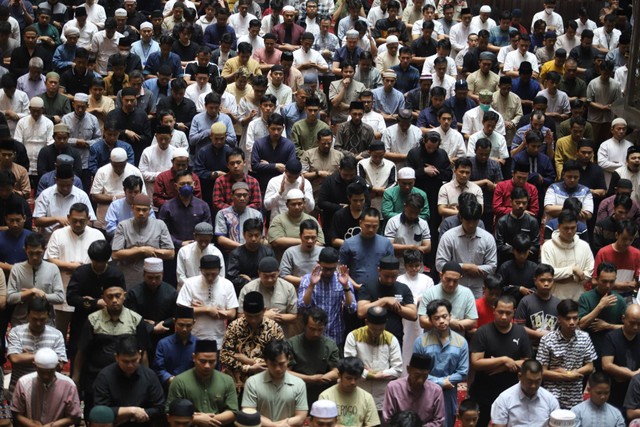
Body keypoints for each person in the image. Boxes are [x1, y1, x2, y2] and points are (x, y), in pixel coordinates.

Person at [72, 279, 150, 420]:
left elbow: (143, 353)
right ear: (103, 298)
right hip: (96, 377)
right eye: (110, 296)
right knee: (95, 416)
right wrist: (76, 379)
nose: (114, 300)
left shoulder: (136, 320)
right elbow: (81, 352)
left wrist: (146, 378)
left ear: (124, 296)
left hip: (127, 378)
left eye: (118, 296)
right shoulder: (93, 319)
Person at [469, 296, 532, 427]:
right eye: (500, 312)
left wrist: (505, 366)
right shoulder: (482, 332)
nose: (504, 317)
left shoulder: (520, 332)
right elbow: (476, 362)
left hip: (512, 393)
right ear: (494, 310)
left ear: (514, 312)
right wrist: (504, 360)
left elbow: (527, 362)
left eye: (508, 313)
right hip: (484, 392)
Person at [413, 299, 468, 427]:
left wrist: (447, 382)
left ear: (450, 316)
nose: (441, 321)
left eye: (444, 316)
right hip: (425, 390)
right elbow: (416, 371)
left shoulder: (461, 342)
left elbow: (463, 372)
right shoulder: (421, 342)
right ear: (430, 320)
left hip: (449, 392)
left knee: (446, 423)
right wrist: (440, 382)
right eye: (436, 318)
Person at [537, 298, 597, 409]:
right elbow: (541, 372)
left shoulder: (585, 337)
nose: (572, 322)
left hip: (575, 399)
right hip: (551, 397)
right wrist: (566, 376)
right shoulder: (547, 340)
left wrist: (571, 373)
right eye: (568, 319)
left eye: (575, 318)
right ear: (559, 319)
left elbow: (590, 366)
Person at [93, 335, 165, 427]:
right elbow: (101, 410)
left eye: (134, 360)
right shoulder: (105, 376)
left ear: (139, 354)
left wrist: (131, 416)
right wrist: (132, 411)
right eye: (125, 361)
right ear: (117, 357)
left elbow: (160, 408)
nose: (130, 365)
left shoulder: (149, 375)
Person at [220, 292, 285, 392]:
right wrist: (248, 368)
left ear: (264, 310)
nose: (253, 320)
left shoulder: (274, 329)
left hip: (265, 383)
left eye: (257, 316)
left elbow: (278, 358)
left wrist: (249, 361)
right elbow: (224, 356)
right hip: (236, 384)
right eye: (249, 316)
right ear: (243, 312)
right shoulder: (234, 326)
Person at [436, 193, 497, 298]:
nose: (471, 225)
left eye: (475, 221)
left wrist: (475, 269)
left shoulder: (488, 238)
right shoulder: (449, 237)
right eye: (468, 221)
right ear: (461, 218)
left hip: (478, 290)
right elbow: (440, 264)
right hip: (453, 288)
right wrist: (464, 267)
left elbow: (492, 267)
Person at [166, 339, 238, 424]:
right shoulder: (179, 381)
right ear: (194, 358)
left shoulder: (227, 380)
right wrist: (196, 420)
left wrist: (209, 420)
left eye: (212, 362)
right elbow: (169, 413)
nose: (207, 366)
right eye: (203, 361)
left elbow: (233, 412)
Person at [344, 307, 402, 410]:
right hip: (358, 393)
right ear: (366, 322)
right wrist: (373, 376)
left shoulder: (391, 339)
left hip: (382, 398)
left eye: (381, 329)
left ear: (385, 323)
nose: (377, 332)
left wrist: (371, 373)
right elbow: (350, 367)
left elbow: (398, 370)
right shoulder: (353, 336)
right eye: (374, 329)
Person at [7, 297, 66, 398]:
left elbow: (60, 365)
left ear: (48, 316)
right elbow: (15, 358)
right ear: (28, 315)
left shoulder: (57, 335)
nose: (38, 323)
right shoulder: (16, 332)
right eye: (35, 319)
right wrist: (49, 356)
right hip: (19, 391)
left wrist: (28, 356)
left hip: (47, 391)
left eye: (42, 319)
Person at [111, 194, 174, 287]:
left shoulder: (160, 225)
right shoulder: (123, 226)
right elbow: (115, 255)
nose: (141, 213)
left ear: (150, 210)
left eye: (144, 210)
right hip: (129, 278)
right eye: (138, 209)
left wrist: (151, 251)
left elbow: (171, 253)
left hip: (153, 279)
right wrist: (142, 250)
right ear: (132, 208)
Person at [298, 247, 356, 346]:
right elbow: (302, 307)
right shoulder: (307, 279)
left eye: (332, 269)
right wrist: (312, 285)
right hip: (312, 335)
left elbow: (352, 309)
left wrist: (345, 286)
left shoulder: (342, 279)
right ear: (318, 263)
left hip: (336, 335)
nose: (328, 272)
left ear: (337, 264)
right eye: (325, 268)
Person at [241, 339, 308, 426]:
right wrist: (276, 426)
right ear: (265, 361)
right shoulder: (252, 382)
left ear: (288, 359)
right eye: (273, 364)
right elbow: (249, 414)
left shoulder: (299, 384)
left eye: (281, 364)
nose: (278, 369)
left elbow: (301, 417)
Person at [11, 347, 81, 427]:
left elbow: (75, 416)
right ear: (35, 366)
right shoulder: (24, 383)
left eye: (50, 372)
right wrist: (31, 424)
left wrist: (53, 425)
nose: (46, 376)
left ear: (57, 367)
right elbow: (16, 413)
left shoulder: (68, 385)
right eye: (42, 372)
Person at [177, 254, 237, 343]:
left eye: (213, 274)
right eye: (206, 274)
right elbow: (181, 311)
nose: (210, 277)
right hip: (193, 338)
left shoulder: (227, 285)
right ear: (201, 270)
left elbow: (232, 313)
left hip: (219, 338)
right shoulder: (190, 283)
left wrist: (197, 309)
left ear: (219, 270)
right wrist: (206, 309)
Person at [356, 255, 418, 343]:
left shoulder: (403, 288)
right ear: (379, 271)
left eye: (393, 276)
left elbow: (413, 315)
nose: (389, 280)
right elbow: (361, 312)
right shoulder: (367, 287)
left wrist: (394, 305)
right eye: (386, 276)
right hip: (369, 338)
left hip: (394, 338)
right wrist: (384, 301)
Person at [7, 233, 64, 326]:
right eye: (31, 253)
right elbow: (9, 298)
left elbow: (60, 297)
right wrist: (30, 292)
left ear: (44, 250)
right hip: (21, 322)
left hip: (46, 322)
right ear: (25, 250)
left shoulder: (53, 268)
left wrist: (42, 295)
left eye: (38, 253)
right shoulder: (17, 269)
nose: (34, 257)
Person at [288, 307, 339, 404]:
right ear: (304, 325)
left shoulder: (330, 345)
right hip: (297, 391)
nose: (316, 333)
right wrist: (310, 379)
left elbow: (336, 371)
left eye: (320, 330)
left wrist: (321, 378)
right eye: (312, 329)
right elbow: (286, 372)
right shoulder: (292, 344)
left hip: (323, 393)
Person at [541, 209, 594, 301]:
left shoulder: (584, 246)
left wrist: (566, 278)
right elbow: (549, 274)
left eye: (573, 228)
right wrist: (573, 270)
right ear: (558, 226)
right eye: (566, 228)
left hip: (578, 297)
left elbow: (589, 274)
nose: (570, 231)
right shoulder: (548, 246)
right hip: (555, 298)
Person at [490, 359, 560, 427]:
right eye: (529, 381)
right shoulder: (504, 399)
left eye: (537, 381)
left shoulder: (550, 400)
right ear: (520, 376)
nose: (533, 386)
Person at [383, 353, 445, 427]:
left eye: (425, 376)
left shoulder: (436, 391)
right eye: (417, 376)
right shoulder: (393, 387)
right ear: (408, 369)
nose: (420, 380)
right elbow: (387, 418)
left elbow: (439, 421)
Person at [90, 147, 145, 230]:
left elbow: (143, 195)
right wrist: (114, 198)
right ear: (110, 161)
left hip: (131, 223)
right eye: (115, 166)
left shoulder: (135, 171)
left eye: (122, 165)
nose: (119, 168)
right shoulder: (102, 171)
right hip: (105, 222)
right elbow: (94, 196)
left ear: (126, 161)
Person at [578, 262, 626, 357]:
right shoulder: (586, 297)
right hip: (589, 347)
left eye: (612, 282)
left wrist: (608, 326)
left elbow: (629, 328)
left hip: (612, 348)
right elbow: (581, 325)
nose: (608, 285)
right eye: (604, 281)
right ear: (596, 279)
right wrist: (600, 306)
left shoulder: (619, 300)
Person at [318, 357, 380, 427]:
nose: (353, 382)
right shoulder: (326, 396)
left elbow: (372, 424)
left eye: (356, 378)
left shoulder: (367, 398)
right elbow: (320, 424)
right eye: (348, 378)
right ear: (339, 376)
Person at [418, 261, 478, 334]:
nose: (451, 284)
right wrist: (449, 321)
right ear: (441, 275)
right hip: (431, 340)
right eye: (448, 279)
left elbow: (473, 321)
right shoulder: (430, 292)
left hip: (457, 341)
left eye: (455, 281)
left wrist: (440, 321)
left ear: (460, 278)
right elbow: (423, 321)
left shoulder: (467, 293)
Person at [514, 263, 560, 346]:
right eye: (542, 280)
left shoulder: (558, 304)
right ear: (535, 281)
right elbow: (518, 327)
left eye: (550, 280)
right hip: (530, 349)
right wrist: (540, 335)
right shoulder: (525, 302)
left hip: (552, 350)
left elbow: (562, 329)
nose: (546, 284)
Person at [153, 305, 196, 387]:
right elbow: (159, 369)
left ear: (194, 323)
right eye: (181, 325)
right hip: (169, 386)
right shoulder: (163, 344)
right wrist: (171, 380)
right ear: (174, 322)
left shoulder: (198, 344)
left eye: (188, 326)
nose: (184, 329)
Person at [176, 222, 225, 287]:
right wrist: (194, 288)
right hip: (188, 289)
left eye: (206, 241)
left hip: (210, 289)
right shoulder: (184, 251)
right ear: (195, 236)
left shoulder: (216, 253)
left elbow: (221, 277)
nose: (203, 244)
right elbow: (180, 277)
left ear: (211, 237)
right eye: (201, 241)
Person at [280, 220, 322, 287]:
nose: (310, 241)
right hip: (297, 289)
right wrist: (306, 281)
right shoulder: (290, 252)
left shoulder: (323, 252)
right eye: (307, 237)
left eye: (313, 238)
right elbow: (284, 275)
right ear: (300, 236)